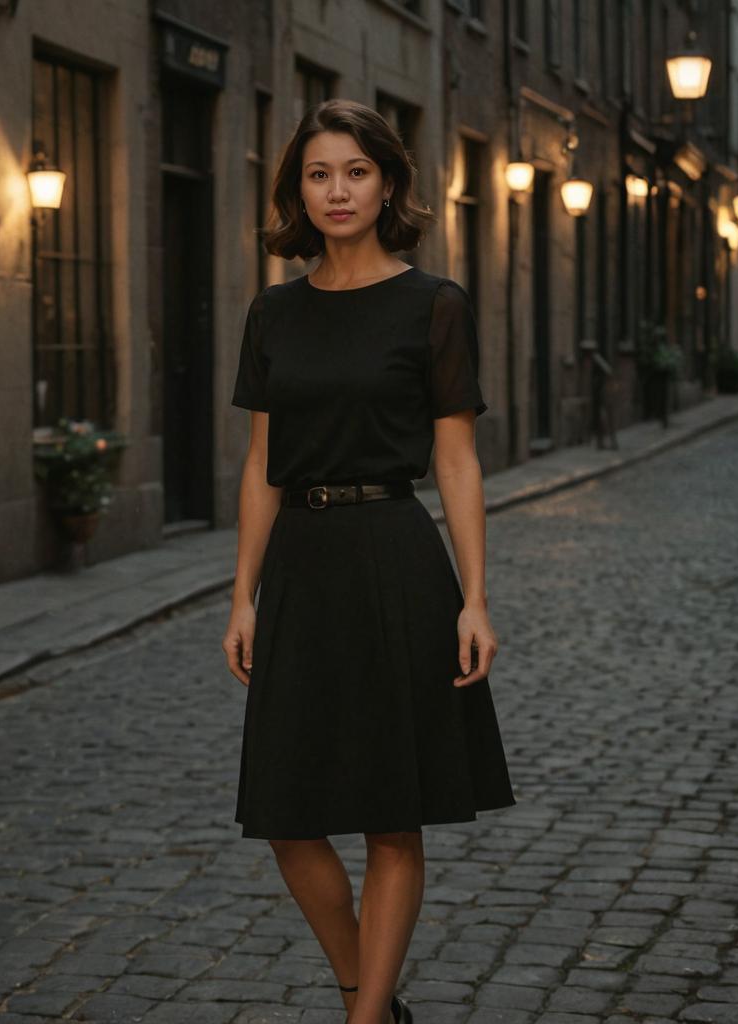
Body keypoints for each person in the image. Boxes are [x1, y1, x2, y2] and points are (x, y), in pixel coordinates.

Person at [222, 98, 516, 1024]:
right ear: (296, 191)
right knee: (286, 815)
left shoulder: (434, 305)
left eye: (355, 172)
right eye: (318, 174)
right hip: (302, 572)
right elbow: (263, 464)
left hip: (396, 560)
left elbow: (458, 461)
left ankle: (363, 1021)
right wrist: (241, 596)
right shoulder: (273, 311)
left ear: (387, 183)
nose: (337, 190)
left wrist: (475, 598)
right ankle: (372, 995)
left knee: (393, 816)